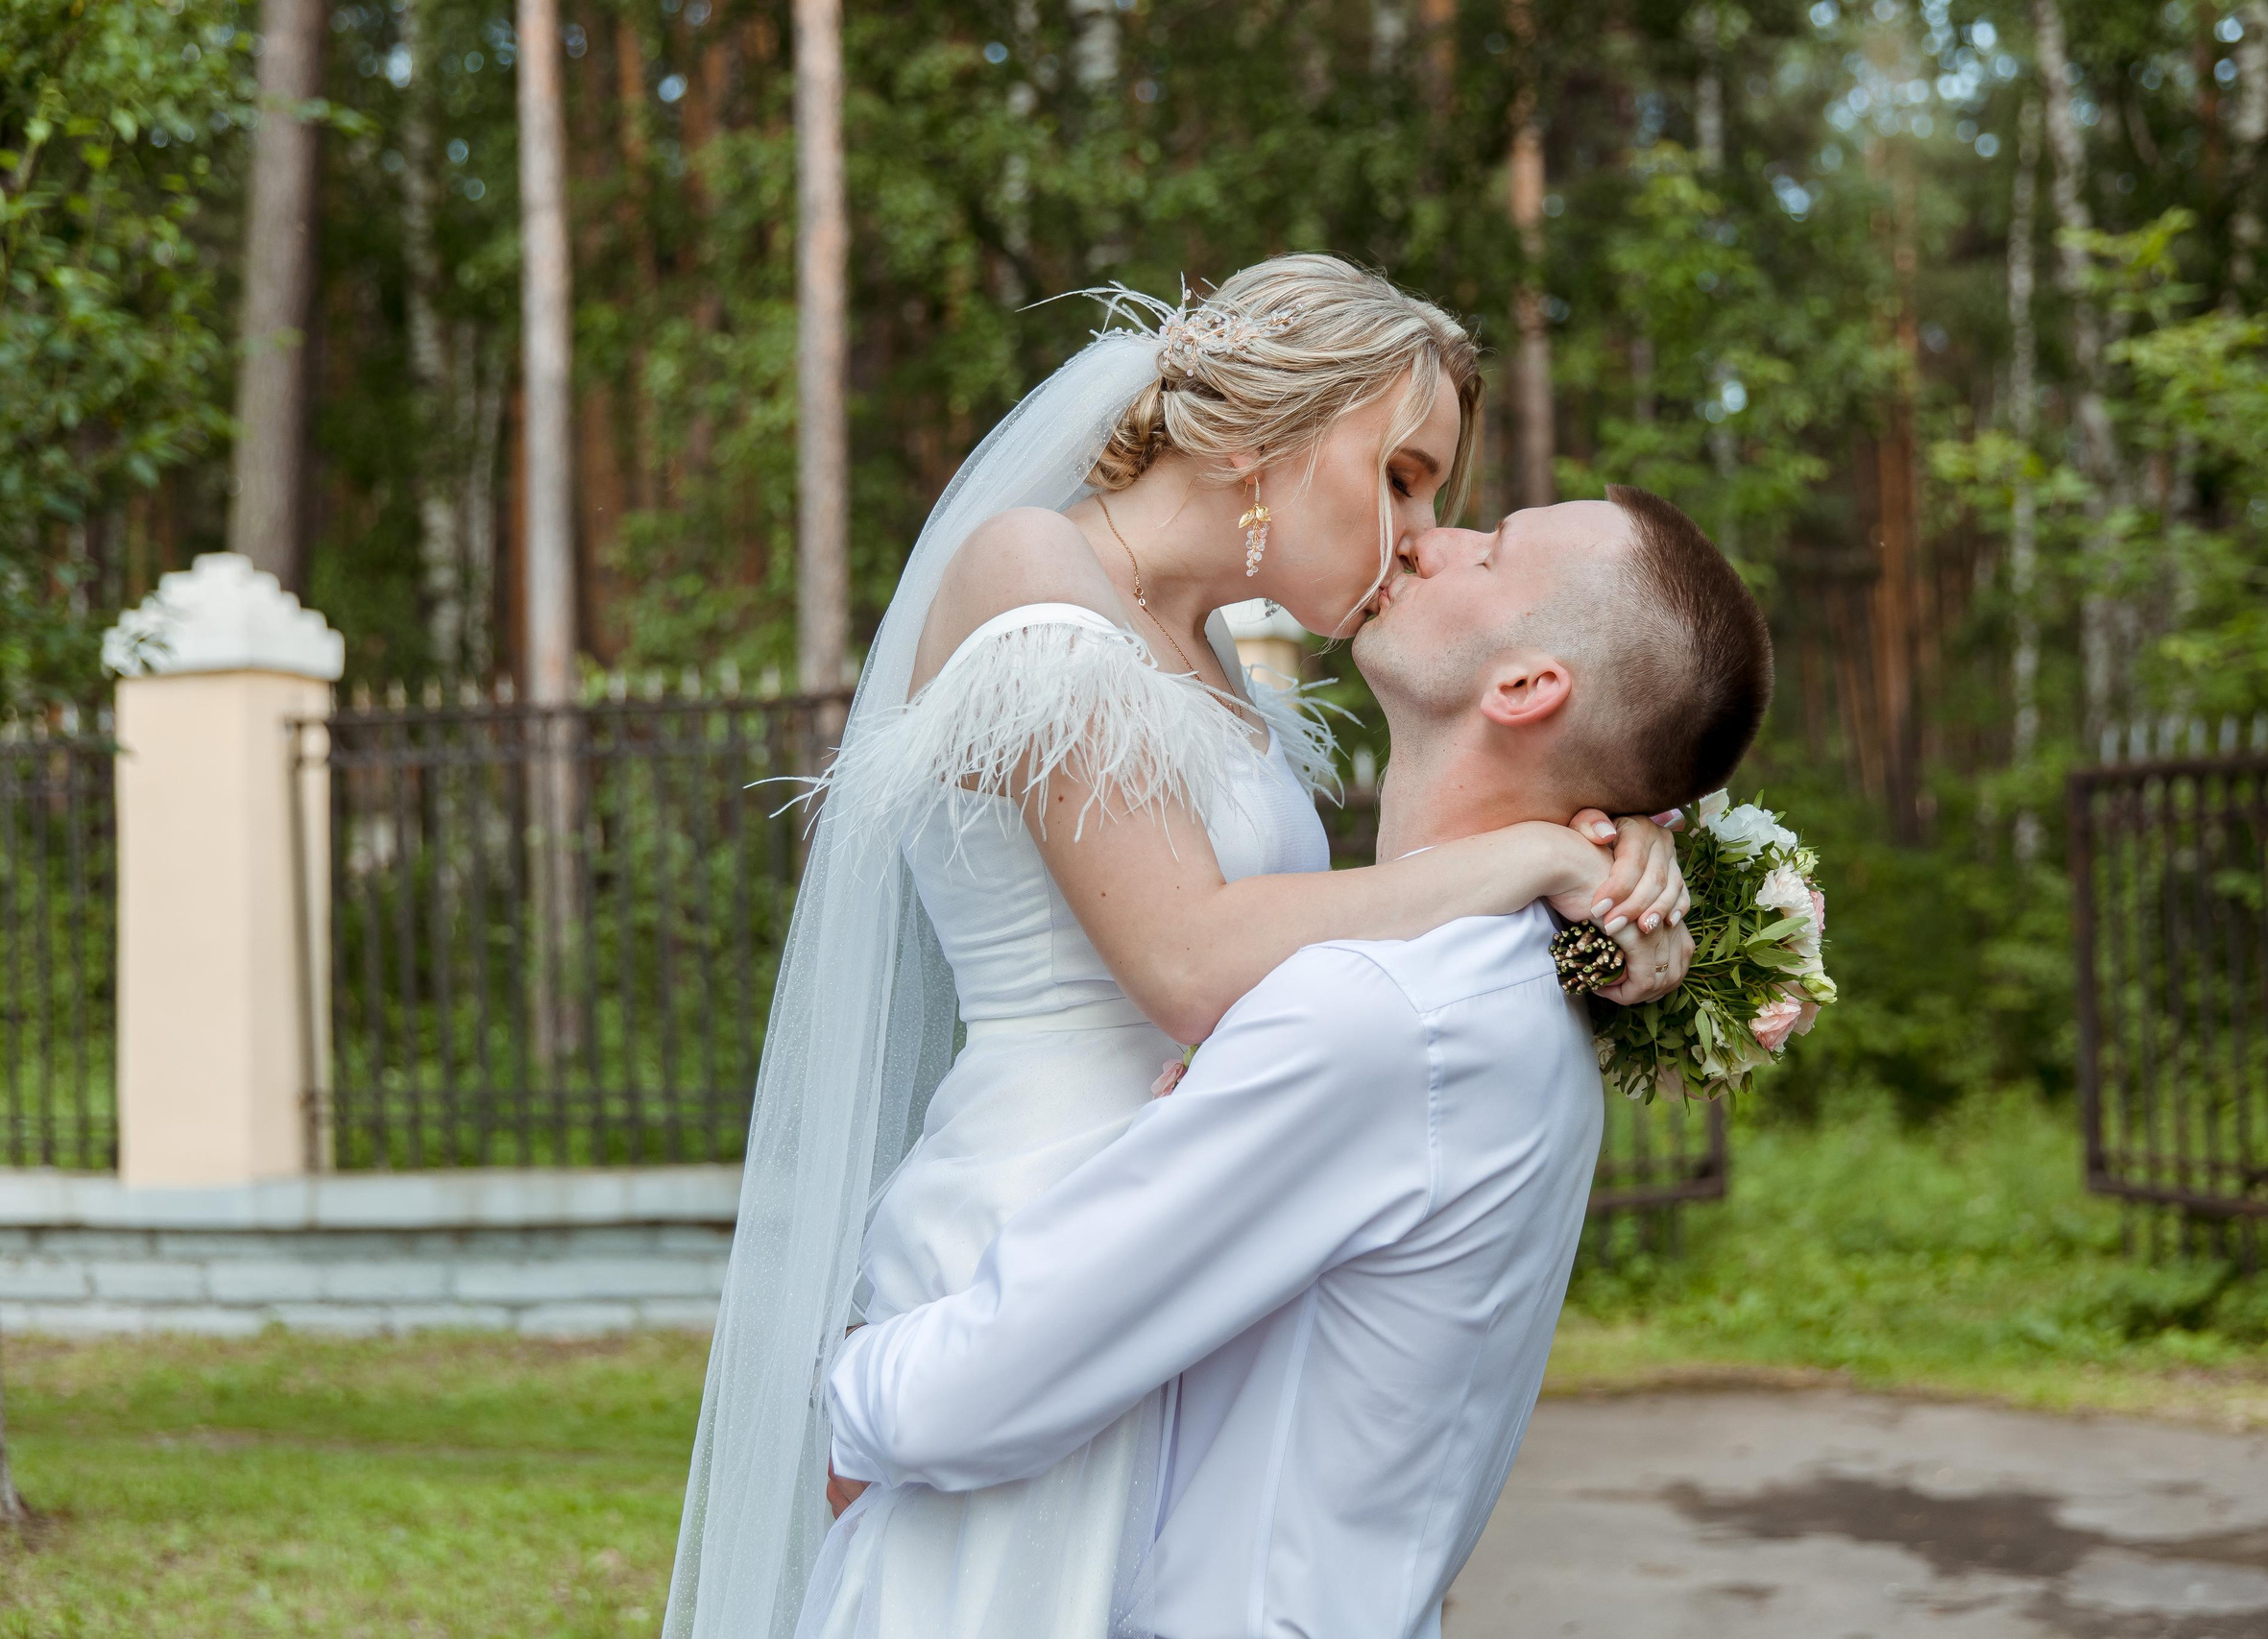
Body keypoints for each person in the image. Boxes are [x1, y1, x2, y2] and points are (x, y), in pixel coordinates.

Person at [662, 258, 1701, 1639]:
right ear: (1279, 428)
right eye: (1402, 476)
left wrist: (1619, 845)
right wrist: (1528, 856)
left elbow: (1321, 971)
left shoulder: (1215, 653)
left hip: (1193, 1227)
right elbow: (1189, 960)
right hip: (1034, 1221)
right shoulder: (1031, 566)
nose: (1418, 529)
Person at [822, 492, 1773, 1639]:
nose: (1427, 535)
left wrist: (852, 1385)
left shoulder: (1380, 1015)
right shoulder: (1510, 980)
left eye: (1491, 547)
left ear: (1524, 688)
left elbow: (962, 1404)